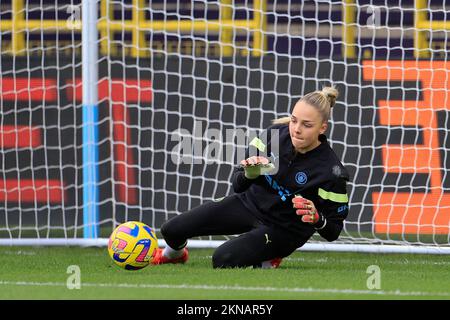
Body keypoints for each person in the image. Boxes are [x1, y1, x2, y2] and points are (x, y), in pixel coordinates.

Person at [152, 86, 350, 268]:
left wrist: (317, 218)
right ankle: (175, 254)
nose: (296, 129)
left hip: (284, 229)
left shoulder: (331, 172)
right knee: (171, 230)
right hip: (249, 204)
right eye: (293, 120)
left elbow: (333, 231)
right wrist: (249, 175)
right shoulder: (272, 135)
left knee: (222, 259)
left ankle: (271, 255)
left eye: (306, 125)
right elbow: (237, 186)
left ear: (322, 128)